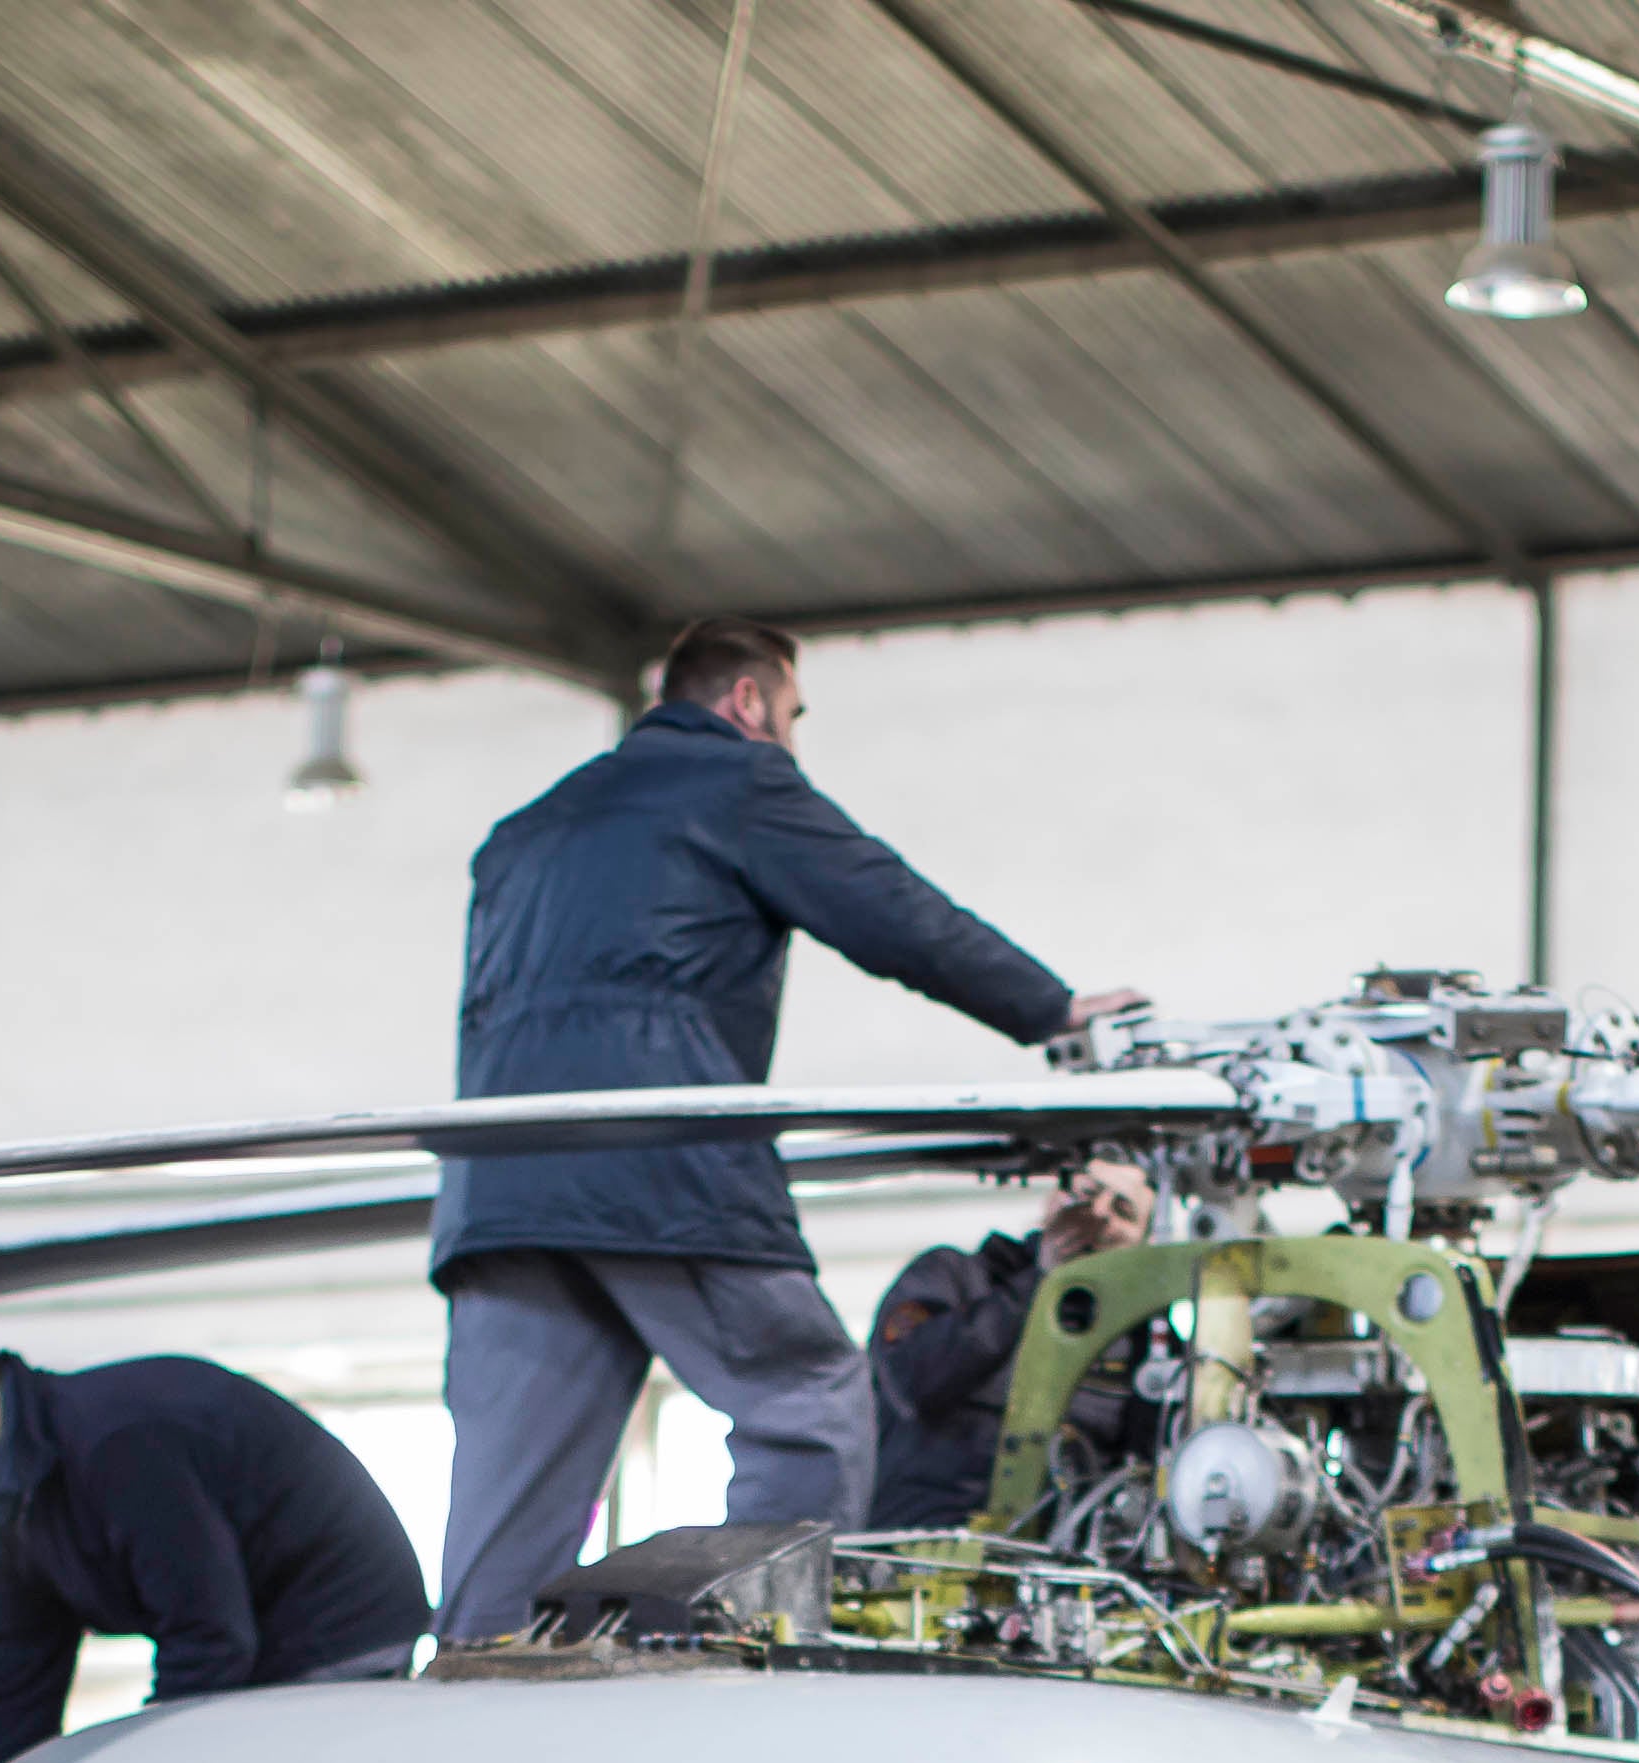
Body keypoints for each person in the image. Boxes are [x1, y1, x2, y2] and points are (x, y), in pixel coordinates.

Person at [431, 616, 1133, 1646]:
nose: (794, 741)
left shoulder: (521, 834)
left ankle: (461, 1718)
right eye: (794, 717)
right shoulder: (737, 780)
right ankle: (756, 1662)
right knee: (807, 1402)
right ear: (750, 702)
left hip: (495, 1187)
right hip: (658, 1163)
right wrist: (1050, 1010)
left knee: (509, 1498)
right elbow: (887, 908)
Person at [0, 1317, 427, 1763]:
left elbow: (209, 1637)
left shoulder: (117, 1444)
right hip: (254, 1642)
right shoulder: (7, 1509)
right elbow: (16, 1690)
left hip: (340, 1626)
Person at [859, 1157, 1155, 1528]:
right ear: (1052, 1201)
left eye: (1122, 1210)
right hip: (925, 1548)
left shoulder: (1144, 1342)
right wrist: (1039, 1282)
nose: (1098, 1216)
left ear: (1145, 1239)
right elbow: (914, 1381)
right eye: (1085, 1195)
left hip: (1062, 1561)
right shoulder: (952, 1277)